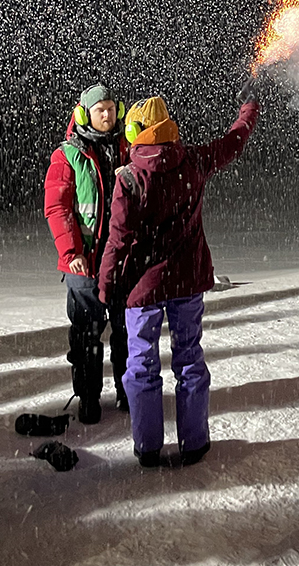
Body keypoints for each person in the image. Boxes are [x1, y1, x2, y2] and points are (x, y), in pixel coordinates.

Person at [99, 85, 259, 467]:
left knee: (141, 367)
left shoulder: (129, 179)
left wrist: (105, 286)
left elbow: (117, 241)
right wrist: (248, 110)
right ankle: (194, 444)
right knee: (189, 361)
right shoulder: (194, 161)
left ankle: (148, 446)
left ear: (138, 132)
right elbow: (233, 142)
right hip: (187, 282)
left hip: (143, 288)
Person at [43, 82, 131, 424]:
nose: (106, 114)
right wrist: (71, 251)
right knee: (86, 338)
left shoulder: (130, 147)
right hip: (84, 266)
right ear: (84, 113)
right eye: (99, 109)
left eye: (110, 108)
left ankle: (128, 394)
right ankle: (89, 399)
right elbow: (57, 208)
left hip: (124, 263)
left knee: (127, 335)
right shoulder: (67, 155)